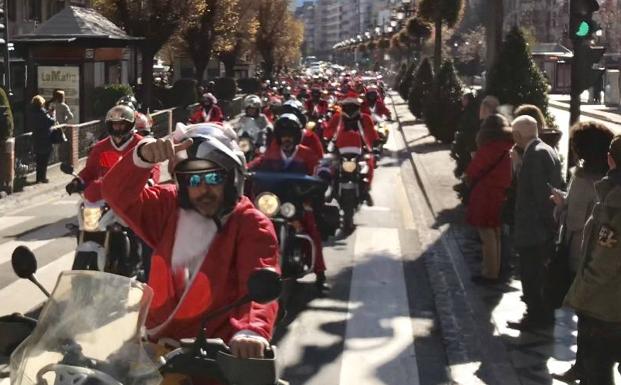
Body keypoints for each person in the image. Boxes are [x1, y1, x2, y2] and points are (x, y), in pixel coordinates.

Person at [101, 123, 280, 359]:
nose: (203, 189)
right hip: (152, 353)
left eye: (214, 177)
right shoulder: (169, 208)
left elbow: (258, 290)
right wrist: (141, 157)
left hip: (212, 358)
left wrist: (251, 332)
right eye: (193, 181)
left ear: (232, 179)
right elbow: (116, 195)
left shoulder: (250, 224)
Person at [550, 121, 614, 383]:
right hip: (607, 262)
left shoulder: (582, 178)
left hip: (582, 253)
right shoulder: (607, 179)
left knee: (585, 316)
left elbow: (575, 222)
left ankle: (582, 367)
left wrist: (560, 205)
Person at [247, 114, 329, 293]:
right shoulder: (271, 151)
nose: (286, 138)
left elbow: (319, 165)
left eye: (290, 134)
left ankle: (320, 274)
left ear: (297, 136)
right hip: (273, 200)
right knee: (250, 226)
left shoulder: (306, 153)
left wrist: (323, 174)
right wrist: (244, 169)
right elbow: (257, 162)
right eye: (283, 134)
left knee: (312, 231)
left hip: (297, 200)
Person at [563, 134, 621, 385]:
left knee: (597, 371)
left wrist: (581, 292)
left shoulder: (615, 200)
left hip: (606, 305)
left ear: (610, 160)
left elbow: (605, 260)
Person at [507, 115, 563, 331]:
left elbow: (540, 196)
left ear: (518, 135)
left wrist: (548, 226)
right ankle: (541, 315)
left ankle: (535, 317)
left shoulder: (535, 155)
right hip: (541, 229)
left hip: (534, 230)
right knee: (537, 275)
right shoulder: (545, 149)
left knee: (532, 276)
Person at [65, 105, 160, 203]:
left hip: (133, 195)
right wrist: (77, 181)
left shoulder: (142, 144)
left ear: (130, 124)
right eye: (115, 124)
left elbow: (154, 168)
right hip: (105, 197)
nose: (118, 127)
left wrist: (149, 183)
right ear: (110, 125)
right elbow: (90, 170)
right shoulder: (100, 147)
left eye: (122, 124)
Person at [466, 114, 514, 284]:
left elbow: (472, 171)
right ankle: (495, 269)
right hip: (499, 194)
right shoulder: (508, 148)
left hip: (485, 195)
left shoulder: (488, 149)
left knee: (487, 234)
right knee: (495, 232)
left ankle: (489, 273)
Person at [324, 91, 380, 206]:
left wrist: (374, 146)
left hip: (360, 150)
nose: (350, 109)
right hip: (338, 150)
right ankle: (330, 188)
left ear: (358, 107)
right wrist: (327, 139)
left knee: (369, 163)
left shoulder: (366, 118)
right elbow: (328, 132)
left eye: (353, 106)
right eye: (347, 106)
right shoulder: (337, 118)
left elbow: (372, 135)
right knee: (327, 167)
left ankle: (366, 190)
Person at [30, 95, 56, 184]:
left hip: (36, 138)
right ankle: (43, 177)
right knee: (44, 159)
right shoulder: (42, 113)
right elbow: (51, 122)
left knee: (38, 159)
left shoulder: (32, 113)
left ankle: (38, 178)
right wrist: (52, 114)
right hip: (45, 138)